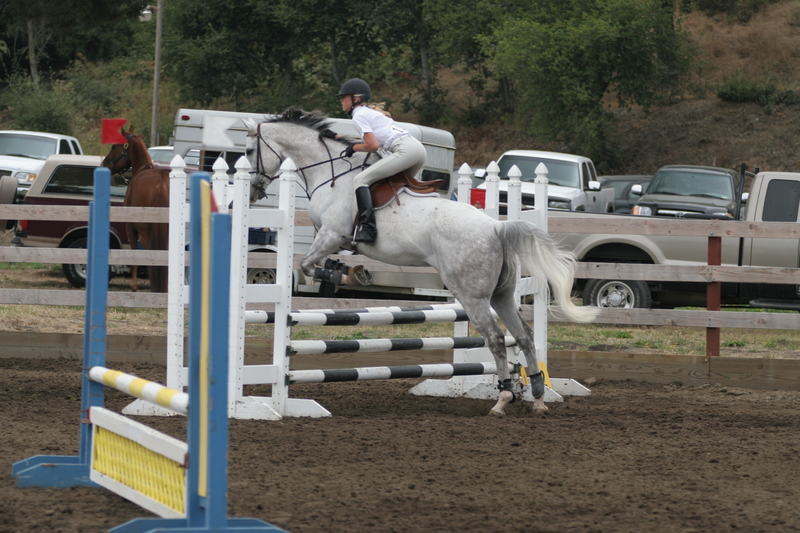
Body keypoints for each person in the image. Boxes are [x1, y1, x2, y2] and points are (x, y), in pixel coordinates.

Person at [337, 78, 427, 244]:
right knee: (393, 185)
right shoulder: (369, 112)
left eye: (343, 97)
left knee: (360, 180)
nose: (341, 100)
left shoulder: (358, 115)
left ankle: (369, 231)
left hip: (405, 150)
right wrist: (338, 137)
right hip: (418, 150)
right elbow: (371, 139)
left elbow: (372, 145)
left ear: (355, 98)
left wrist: (354, 148)